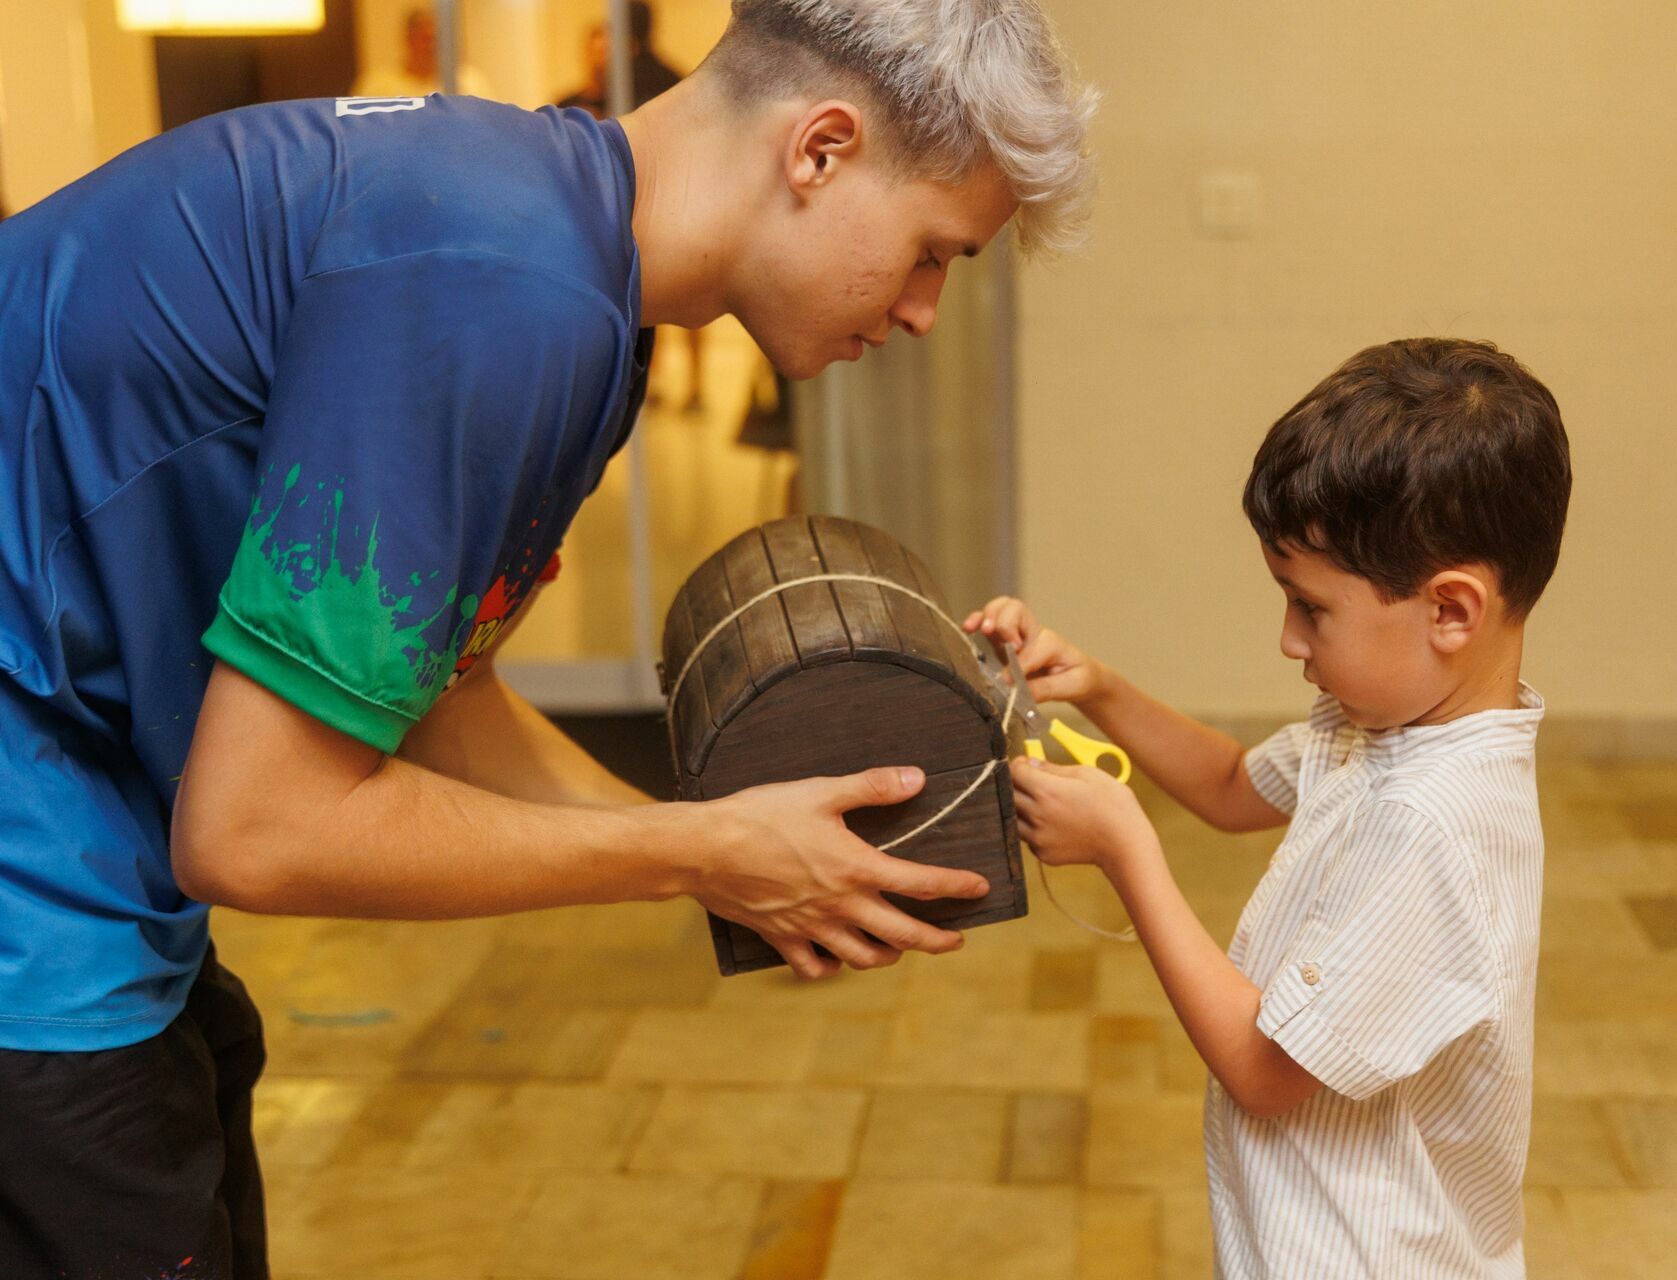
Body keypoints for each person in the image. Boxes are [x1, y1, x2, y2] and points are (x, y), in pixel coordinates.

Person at [0, 0, 1095, 1274]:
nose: (923, 310)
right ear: (820, 149)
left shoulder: (562, 265)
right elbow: (258, 827)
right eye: (933, 252)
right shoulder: (502, 287)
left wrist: (725, 863)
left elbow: (439, 695)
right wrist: (699, 850)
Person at [971, 338, 1572, 1279]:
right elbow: (1228, 786)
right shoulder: (1374, 727)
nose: (1288, 639)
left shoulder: (1433, 827)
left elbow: (1262, 1071)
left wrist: (1127, 851)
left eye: (1311, 607)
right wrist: (1097, 687)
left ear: (1451, 611)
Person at [557, 3, 711, 410]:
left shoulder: (626, 80)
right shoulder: (674, 79)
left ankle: (669, 383)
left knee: (652, 299)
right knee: (677, 300)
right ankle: (681, 384)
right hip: (674, 200)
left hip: (641, 203)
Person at [351, 5, 495, 100]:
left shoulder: (470, 81)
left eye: (438, 39)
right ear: (408, 39)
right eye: (426, 38)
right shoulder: (378, 87)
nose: (432, 46)